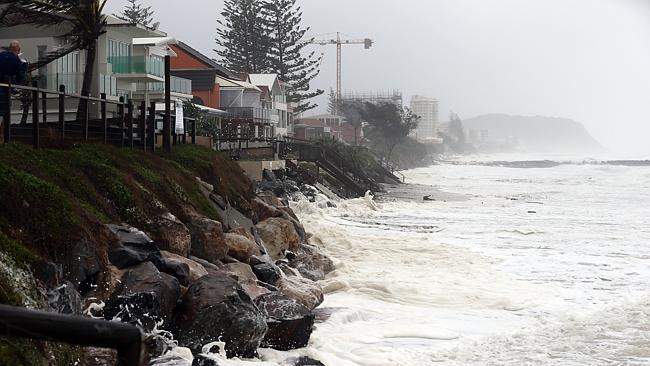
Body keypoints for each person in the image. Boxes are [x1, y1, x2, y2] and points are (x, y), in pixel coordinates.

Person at [0, 40, 26, 138]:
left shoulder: (1, 55)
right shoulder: (16, 61)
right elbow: (20, 78)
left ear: (9, 48)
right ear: (18, 50)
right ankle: (2, 138)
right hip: (4, 89)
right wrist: (23, 65)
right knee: (3, 112)